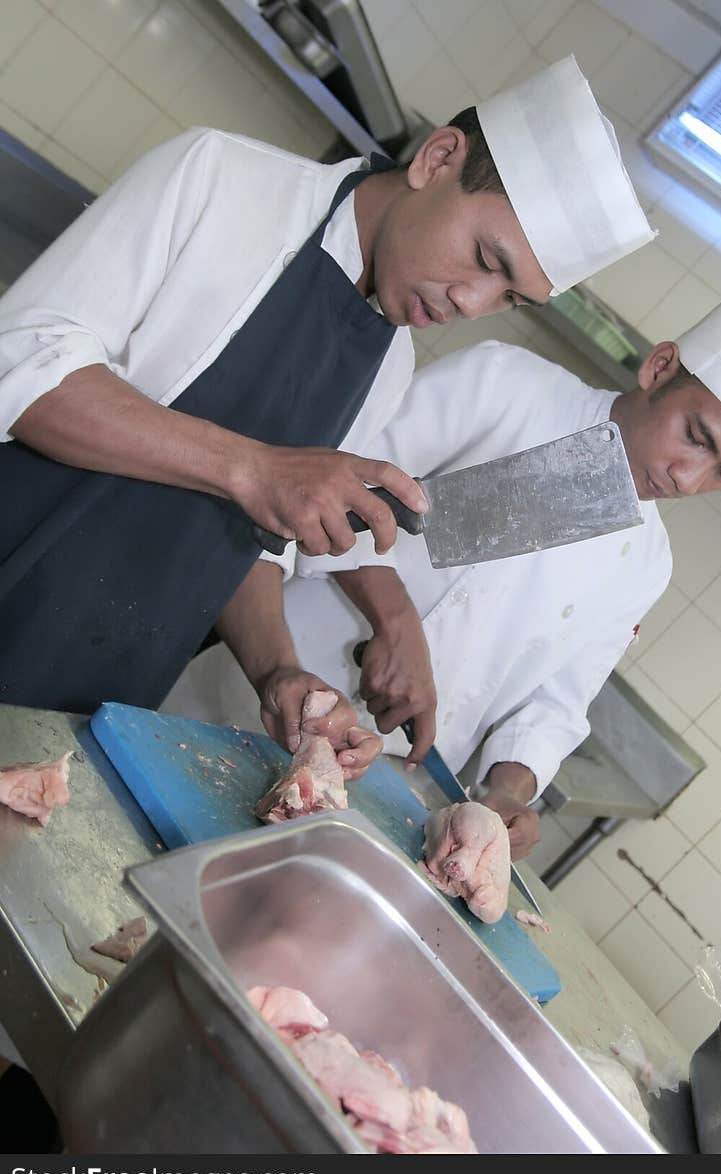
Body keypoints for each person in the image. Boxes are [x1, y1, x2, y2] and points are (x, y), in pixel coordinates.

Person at [0, 56, 653, 782]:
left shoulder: (390, 363)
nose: (472, 301)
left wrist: (278, 671)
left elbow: (254, 545)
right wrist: (253, 468)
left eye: (509, 297)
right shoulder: (222, 179)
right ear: (437, 158)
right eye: (483, 258)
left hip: (99, 695)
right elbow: (25, 370)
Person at [168, 297, 721, 858]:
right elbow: (340, 485)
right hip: (265, 690)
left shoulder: (651, 563)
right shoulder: (510, 385)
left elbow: (557, 701)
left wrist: (509, 792)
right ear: (659, 368)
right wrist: (394, 618)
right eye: (695, 436)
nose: (689, 477)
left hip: (379, 786)